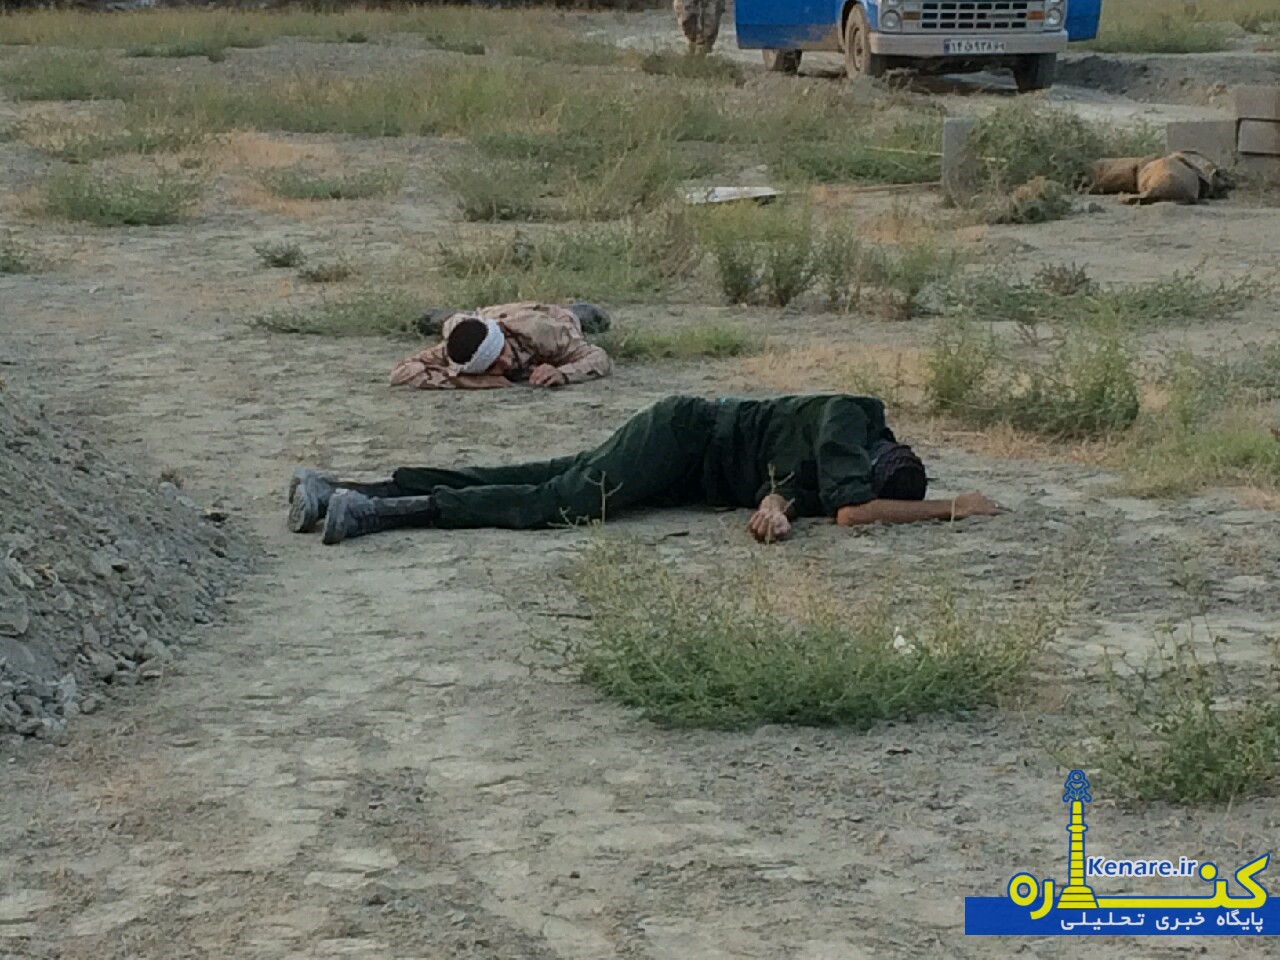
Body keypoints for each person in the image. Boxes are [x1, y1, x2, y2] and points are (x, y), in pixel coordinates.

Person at [287, 394, 1004, 545]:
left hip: (687, 465)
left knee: (549, 475)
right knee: (561, 500)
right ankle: (381, 512)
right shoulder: (851, 416)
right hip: (683, 435)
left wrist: (774, 513)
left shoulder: (837, 450)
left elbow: (784, 484)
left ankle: (341, 492)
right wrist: (953, 509)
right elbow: (851, 512)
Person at [389, 302, 612, 391]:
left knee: (595, 316)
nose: (505, 362)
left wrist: (562, 373)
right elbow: (400, 373)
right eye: (493, 365)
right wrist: (474, 381)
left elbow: (598, 357)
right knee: (443, 321)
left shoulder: (543, 332)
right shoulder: (456, 349)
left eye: (501, 352)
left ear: (502, 338)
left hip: (551, 316)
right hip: (483, 317)